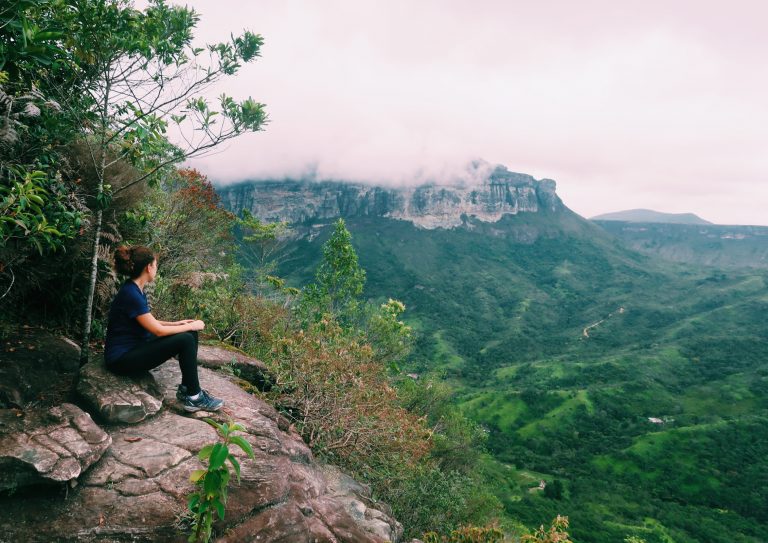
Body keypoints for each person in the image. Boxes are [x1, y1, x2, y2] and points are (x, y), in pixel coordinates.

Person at [104, 245, 223, 412]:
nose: (156, 269)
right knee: (186, 338)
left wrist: (179, 324)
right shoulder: (131, 294)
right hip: (122, 360)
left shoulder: (134, 288)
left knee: (189, 333)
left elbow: (149, 321)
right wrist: (192, 325)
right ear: (148, 267)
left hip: (135, 347)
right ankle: (195, 398)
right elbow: (157, 331)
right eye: (156, 265)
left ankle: (187, 389)